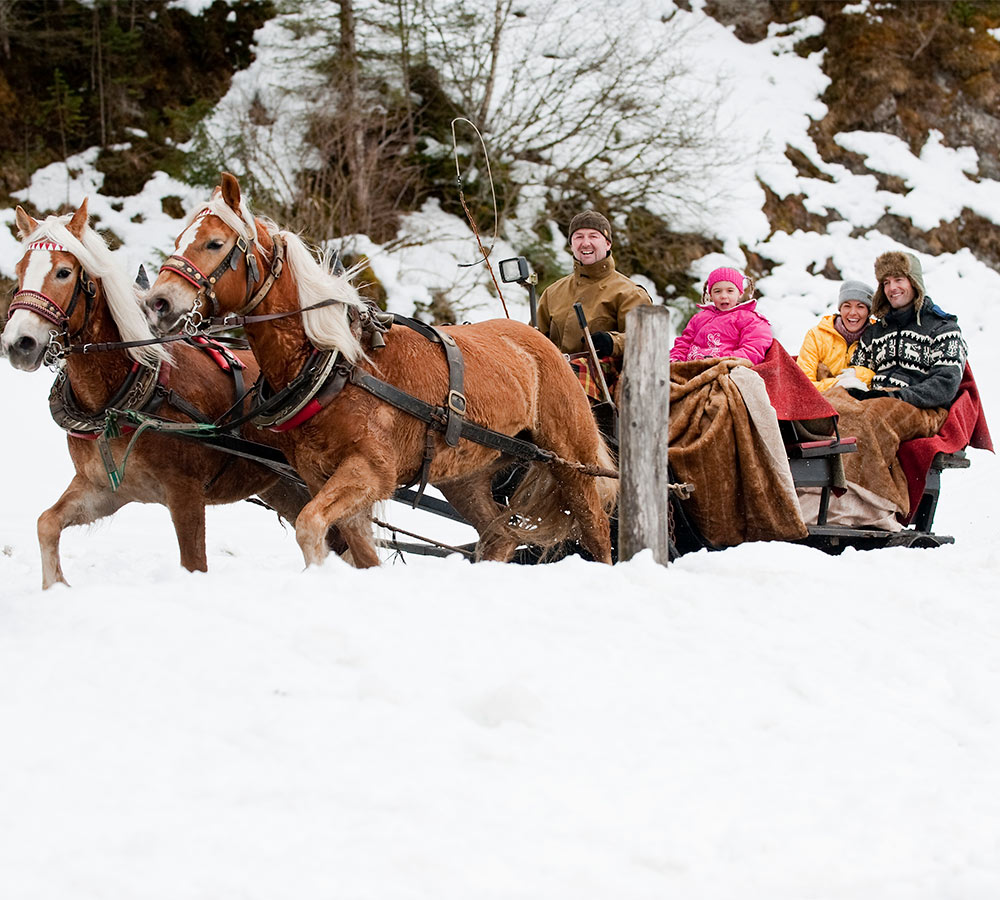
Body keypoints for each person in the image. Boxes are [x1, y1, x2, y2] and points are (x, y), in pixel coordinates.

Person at [850, 251, 967, 408]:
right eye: (886, 282)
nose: (892, 288)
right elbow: (857, 371)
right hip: (872, 404)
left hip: (919, 408)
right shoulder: (875, 332)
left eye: (899, 279)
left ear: (914, 282)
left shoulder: (942, 329)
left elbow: (945, 383)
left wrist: (894, 397)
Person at [535, 210, 651, 360]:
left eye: (593, 236)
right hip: (555, 375)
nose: (585, 243)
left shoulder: (630, 293)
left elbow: (646, 339)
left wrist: (612, 342)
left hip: (602, 379)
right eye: (579, 237)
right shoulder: (552, 292)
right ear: (571, 245)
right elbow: (533, 338)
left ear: (607, 244)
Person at [669, 266, 772, 365]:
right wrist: (675, 360)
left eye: (730, 291)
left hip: (726, 368)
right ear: (711, 295)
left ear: (740, 293)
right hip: (691, 369)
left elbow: (752, 349)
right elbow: (684, 344)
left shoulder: (750, 319)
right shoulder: (699, 318)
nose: (723, 296)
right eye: (717, 291)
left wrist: (724, 362)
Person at [796, 280, 874, 392]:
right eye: (847, 306)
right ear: (840, 309)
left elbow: (883, 378)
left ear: (868, 312)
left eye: (860, 307)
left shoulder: (878, 338)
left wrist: (857, 375)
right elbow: (803, 383)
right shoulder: (816, 336)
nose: (853, 312)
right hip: (824, 403)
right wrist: (839, 383)